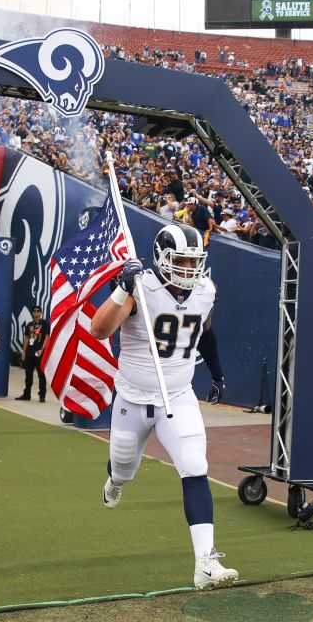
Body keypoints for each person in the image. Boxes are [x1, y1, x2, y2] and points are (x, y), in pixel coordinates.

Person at [89, 223, 237, 590]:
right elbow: (99, 330)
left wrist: (217, 374)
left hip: (178, 396)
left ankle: (205, 562)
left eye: (194, 261)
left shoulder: (204, 291)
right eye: (181, 261)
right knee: (124, 465)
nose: (189, 269)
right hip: (133, 397)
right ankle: (116, 479)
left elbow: (205, 331)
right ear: (161, 258)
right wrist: (123, 287)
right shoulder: (141, 287)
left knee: (194, 465)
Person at [16, 305, 48, 401]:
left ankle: (42, 395)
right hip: (30, 352)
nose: (36, 312)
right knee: (28, 374)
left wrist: (42, 349)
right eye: (34, 311)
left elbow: (47, 337)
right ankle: (27, 394)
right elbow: (26, 338)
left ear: (41, 312)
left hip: (39, 352)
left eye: (38, 311)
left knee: (41, 374)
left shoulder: (45, 324)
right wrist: (24, 352)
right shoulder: (30, 324)